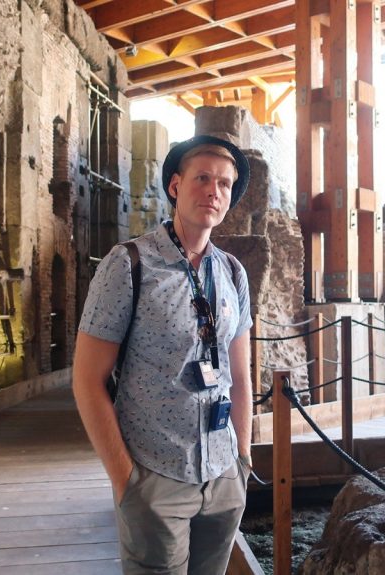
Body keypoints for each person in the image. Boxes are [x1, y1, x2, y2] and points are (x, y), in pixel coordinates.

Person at [72, 134, 254, 575]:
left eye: (225, 184)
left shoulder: (231, 271)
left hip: (223, 473)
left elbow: (241, 374)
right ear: (175, 186)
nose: (214, 191)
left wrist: (242, 462)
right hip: (155, 473)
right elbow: (87, 380)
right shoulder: (128, 264)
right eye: (203, 178)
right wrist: (127, 481)